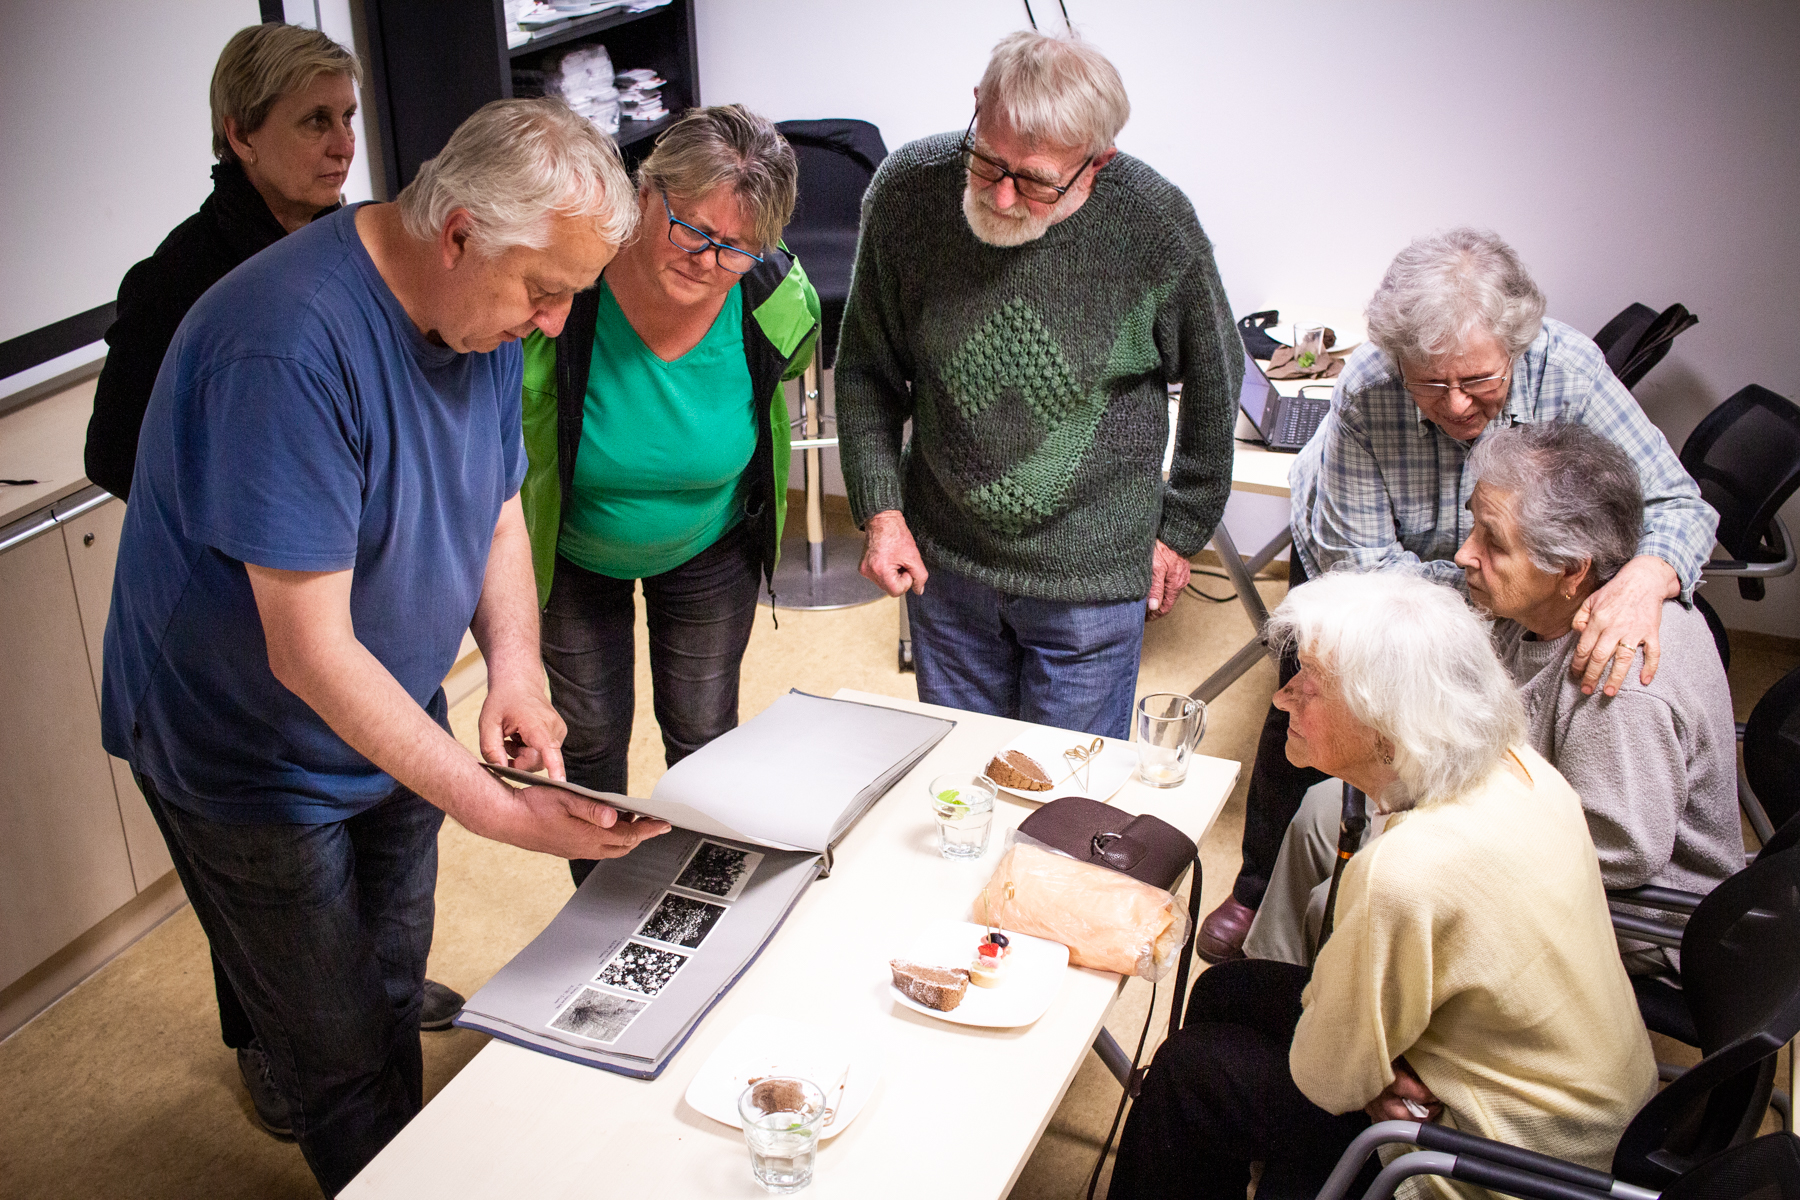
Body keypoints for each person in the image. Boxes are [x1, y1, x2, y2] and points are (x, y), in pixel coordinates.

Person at [99, 98, 668, 1195]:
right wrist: (492, 804)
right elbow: (309, 653)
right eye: (544, 293)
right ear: (457, 234)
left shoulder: (486, 308)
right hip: (244, 750)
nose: (554, 323)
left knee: (394, 984)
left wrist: (514, 666)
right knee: (341, 1052)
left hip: (394, 704)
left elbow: (498, 500)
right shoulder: (284, 347)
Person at [1197, 227, 1718, 962]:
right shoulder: (1367, 389)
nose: (1458, 406)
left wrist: (1644, 575)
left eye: (1478, 383)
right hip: (1426, 585)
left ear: (1516, 348)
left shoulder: (1566, 368)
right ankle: (1260, 881)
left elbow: (1679, 506)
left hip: (1519, 592)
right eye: (1431, 385)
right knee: (1313, 684)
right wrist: (1504, 592)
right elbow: (1370, 573)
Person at [1109, 569, 1657, 1200]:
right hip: (1586, 1102)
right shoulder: (1519, 767)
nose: (1282, 698)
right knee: (1228, 989)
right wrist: (1368, 1067)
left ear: (1384, 725)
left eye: (1308, 687)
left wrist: (1365, 1083)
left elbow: (1326, 1080)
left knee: (1187, 1077)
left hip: (1504, 1157)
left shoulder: (1405, 871)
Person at [834, 30, 1241, 739]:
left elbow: (1217, 375)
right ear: (976, 105)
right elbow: (868, 369)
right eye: (987, 158)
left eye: (1035, 179)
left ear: (1097, 163)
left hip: (1092, 578)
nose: (1000, 193)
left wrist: (1179, 529)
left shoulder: (1153, 224)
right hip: (946, 564)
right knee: (962, 778)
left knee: (1063, 801)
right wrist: (882, 513)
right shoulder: (907, 194)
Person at [1245, 423, 1744, 974]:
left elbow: (1619, 852)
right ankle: (1269, 982)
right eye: (1473, 527)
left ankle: (1319, 1018)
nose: (1464, 553)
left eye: (1492, 542)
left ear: (1571, 570)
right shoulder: (1532, 606)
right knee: (1323, 808)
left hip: (1630, 914)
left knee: (1346, 898)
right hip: (1519, 816)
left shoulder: (1621, 675)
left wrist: (1428, 833)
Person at [517, 105, 819, 888]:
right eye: (692, 230)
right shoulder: (571, 280)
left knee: (704, 733)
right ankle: (598, 904)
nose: (709, 261)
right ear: (645, 191)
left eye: (735, 248)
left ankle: (701, 906)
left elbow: (794, 357)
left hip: (711, 541)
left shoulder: (774, 293)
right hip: (574, 550)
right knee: (587, 746)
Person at [86, 23, 359, 501]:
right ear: (240, 135)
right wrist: (246, 515)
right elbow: (112, 456)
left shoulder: (349, 245)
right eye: (317, 121)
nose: (344, 145)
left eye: (347, 117)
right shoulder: (178, 279)